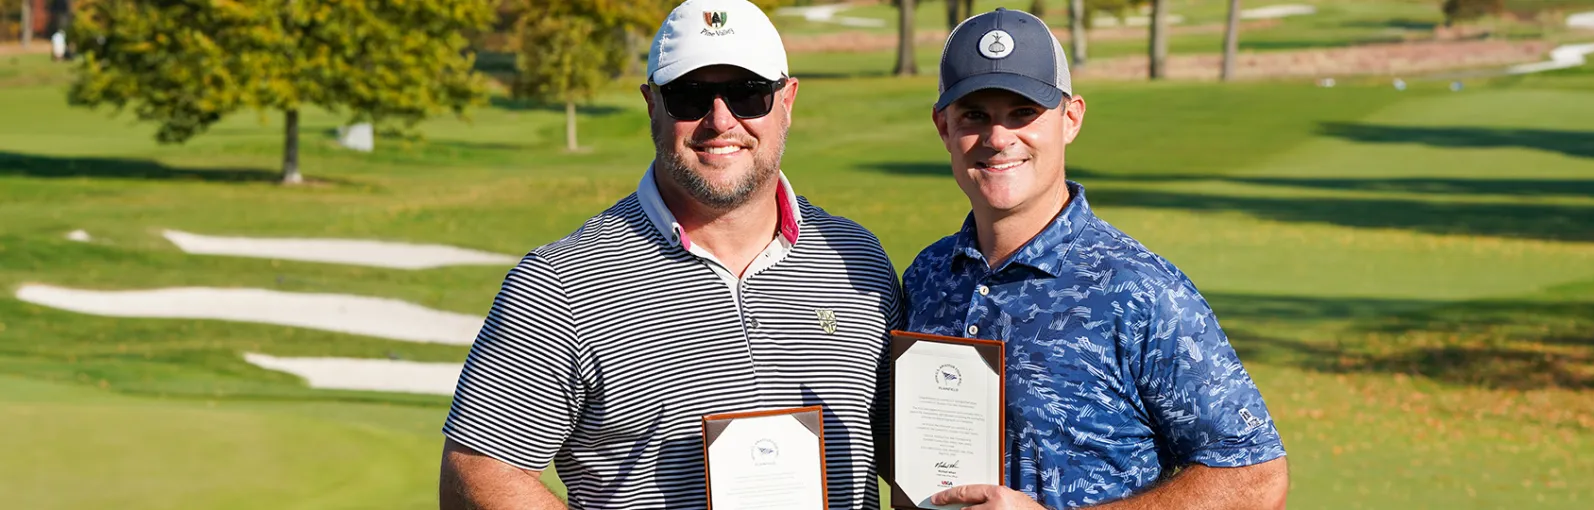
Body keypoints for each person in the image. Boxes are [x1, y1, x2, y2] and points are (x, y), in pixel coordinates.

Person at [437, 0, 899, 508]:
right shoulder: (559, 282)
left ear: (786, 100)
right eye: (689, 96)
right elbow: (475, 473)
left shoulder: (858, 257)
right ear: (651, 104)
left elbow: (907, 456)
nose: (721, 120)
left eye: (748, 94)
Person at [900, 8, 1289, 510]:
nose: (998, 139)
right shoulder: (929, 275)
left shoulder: (1140, 289)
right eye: (975, 115)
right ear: (943, 126)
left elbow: (1257, 481)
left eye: (1023, 113)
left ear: (1072, 118)